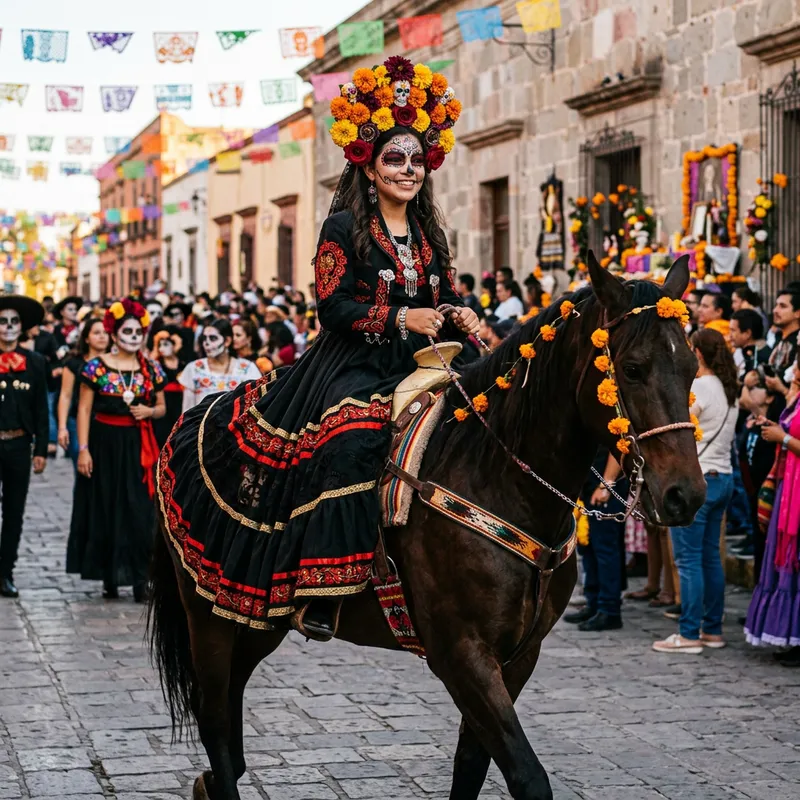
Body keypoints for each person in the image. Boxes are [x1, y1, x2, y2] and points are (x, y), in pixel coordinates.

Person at [157, 56, 479, 641]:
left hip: (429, 358)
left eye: (416, 160)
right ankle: (325, 592)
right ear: (370, 166)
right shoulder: (342, 228)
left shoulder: (429, 230)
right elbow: (332, 308)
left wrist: (459, 311)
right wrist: (401, 316)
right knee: (351, 441)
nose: (408, 170)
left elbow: (444, 291)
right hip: (355, 362)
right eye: (394, 159)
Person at [67, 299, 166, 602]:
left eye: (138, 332)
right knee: (106, 506)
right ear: (114, 333)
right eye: (127, 331)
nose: (134, 337)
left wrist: (149, 411)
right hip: (103, 444)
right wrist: (83, 449)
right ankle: (110, 576)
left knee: (139, 510)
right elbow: (84, 410)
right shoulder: (95, 368)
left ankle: (141, 579)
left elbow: (162, 407)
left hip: (137, 446)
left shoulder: (151, 368)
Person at [654, 329, 738, 654]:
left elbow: (680, 427)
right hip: (724, 477)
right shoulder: (730, 389)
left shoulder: (700, 387)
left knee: (688, 560)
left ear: (698, 353)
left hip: (699, 479)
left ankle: (689, 633)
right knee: (710, 557)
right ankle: (712, 630)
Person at [745, 353, 800, 666]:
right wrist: (775, 428)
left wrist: (784, 437)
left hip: (796, 490)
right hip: (789, 488)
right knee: (785, 559)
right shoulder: (796, 398)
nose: (794, 370)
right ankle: (791, 635)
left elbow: (792, 438)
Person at [0, 296, 49, 599]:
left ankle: (5, 572)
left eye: (14, 321)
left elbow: (41, 408)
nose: (8, 327)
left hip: (19, 444)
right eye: (3, 321)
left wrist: (41, 449)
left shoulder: (35, 362)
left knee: (14, 511)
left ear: (21, 327)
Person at [565, 450, 628, 631]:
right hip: (590, 483)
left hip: (607, 484)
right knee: (588, 545)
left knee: (605, 548)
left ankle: (609, 609)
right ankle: (593, 603)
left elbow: (619, 448)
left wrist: (606, 484)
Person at [57, 318, 110, 469]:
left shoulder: (116, 363)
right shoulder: (74, 363)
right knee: (82, 467)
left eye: (105, 332)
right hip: (77, 420)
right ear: (86, 338)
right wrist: (62, 427)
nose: (102, 336)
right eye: (96, 333)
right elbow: (65, 395)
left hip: (107, 421)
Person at [179, 318, 261, 413]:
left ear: (227, 341)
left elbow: (256, 406)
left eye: (213, 338)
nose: (206, 343)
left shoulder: (248, 368)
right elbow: (187, 412)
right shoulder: (193, 369)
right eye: (204, 338)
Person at [151, 327, 185, 447]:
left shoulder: (183, 364)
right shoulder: (157, 364)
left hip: (179, 403)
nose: (161, 349)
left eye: (165, 345)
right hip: (164, 401)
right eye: (159, 345)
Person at [764, 289, 800, 396]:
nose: (775, 310)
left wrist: (782, 389)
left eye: (782, 306)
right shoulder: (778, 338)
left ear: (797, 313)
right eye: (776, 305)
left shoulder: (797, 343)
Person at [730, 308, 770, 377]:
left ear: (747, 333)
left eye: (733, 330)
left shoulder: (762, 357)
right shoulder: (740, 351)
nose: (730, 335)